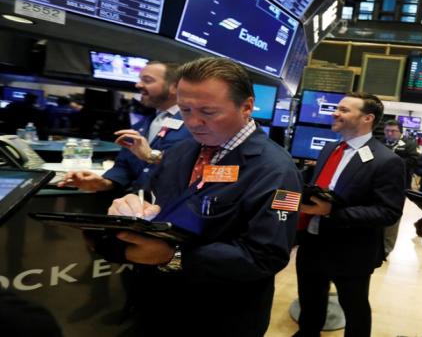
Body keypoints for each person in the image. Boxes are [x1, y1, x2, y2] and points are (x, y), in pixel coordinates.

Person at [105, 57, 303, 336]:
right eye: (185, 109)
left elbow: (266, 256)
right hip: (158, 304)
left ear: (246, 106)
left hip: (219, 315)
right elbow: (160, 200)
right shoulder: (182, 150)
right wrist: (134, 207)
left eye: (208, 112)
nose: (194, 122)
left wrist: (173, 255)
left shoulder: (278, 170)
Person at [294, 92, 405, 337]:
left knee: (354, 308)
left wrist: (333, 212)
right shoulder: (330, 148)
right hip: (312, 241)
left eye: (344, 110)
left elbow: (388, 211)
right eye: (337, 109)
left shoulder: (387, 161)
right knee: (310, 301)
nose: (335, 113)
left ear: (367, 118)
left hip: (352, 250)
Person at [60, 61, 191, 192]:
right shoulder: (140, 125)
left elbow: (192, 168)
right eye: (140, 80)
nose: (138, 85)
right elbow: (124, 166)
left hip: (170, 206)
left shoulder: (196, 125)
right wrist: (104, 182)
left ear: (175, 87)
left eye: (147, 80)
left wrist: (151, 156)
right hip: (133, 206)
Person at [381, 119, 420, 256]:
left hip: (398, 187)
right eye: (387, 131)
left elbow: (413, 161)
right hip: (378, 185)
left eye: (393, 131)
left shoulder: (409, 145)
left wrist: (390, 161)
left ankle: (386, 248)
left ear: (400, 132)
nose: (390, 134)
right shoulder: (379, 143)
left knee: (393, 217)